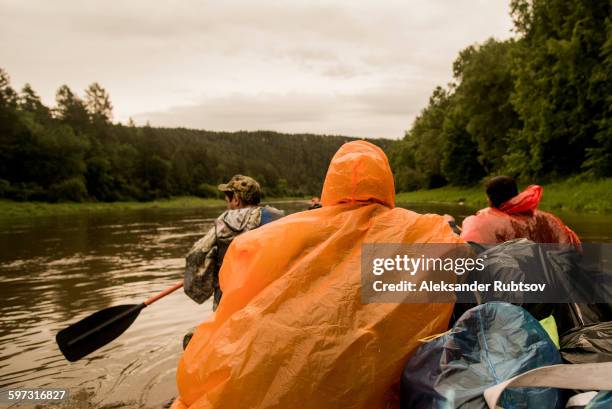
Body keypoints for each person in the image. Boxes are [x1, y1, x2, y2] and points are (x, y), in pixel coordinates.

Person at [171, 141, 465, 409]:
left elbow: (226, 276)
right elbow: (456, 255)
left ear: (329, 186)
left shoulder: (277, 235)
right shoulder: (423, 231)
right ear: (387, 183)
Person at [183, 175, 284, 311]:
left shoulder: (222, 223)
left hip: (227, 301)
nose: (227, 203)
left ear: (236, 199)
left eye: (227, 200)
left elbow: (196, 254)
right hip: (267, 298)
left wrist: (208, 272)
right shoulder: (275, 217)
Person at [460, 176, 580, 244]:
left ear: (490, 199)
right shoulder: (546, 218)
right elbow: (571, 247)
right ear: (517, 194)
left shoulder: (480, 221)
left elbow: (468, 252)